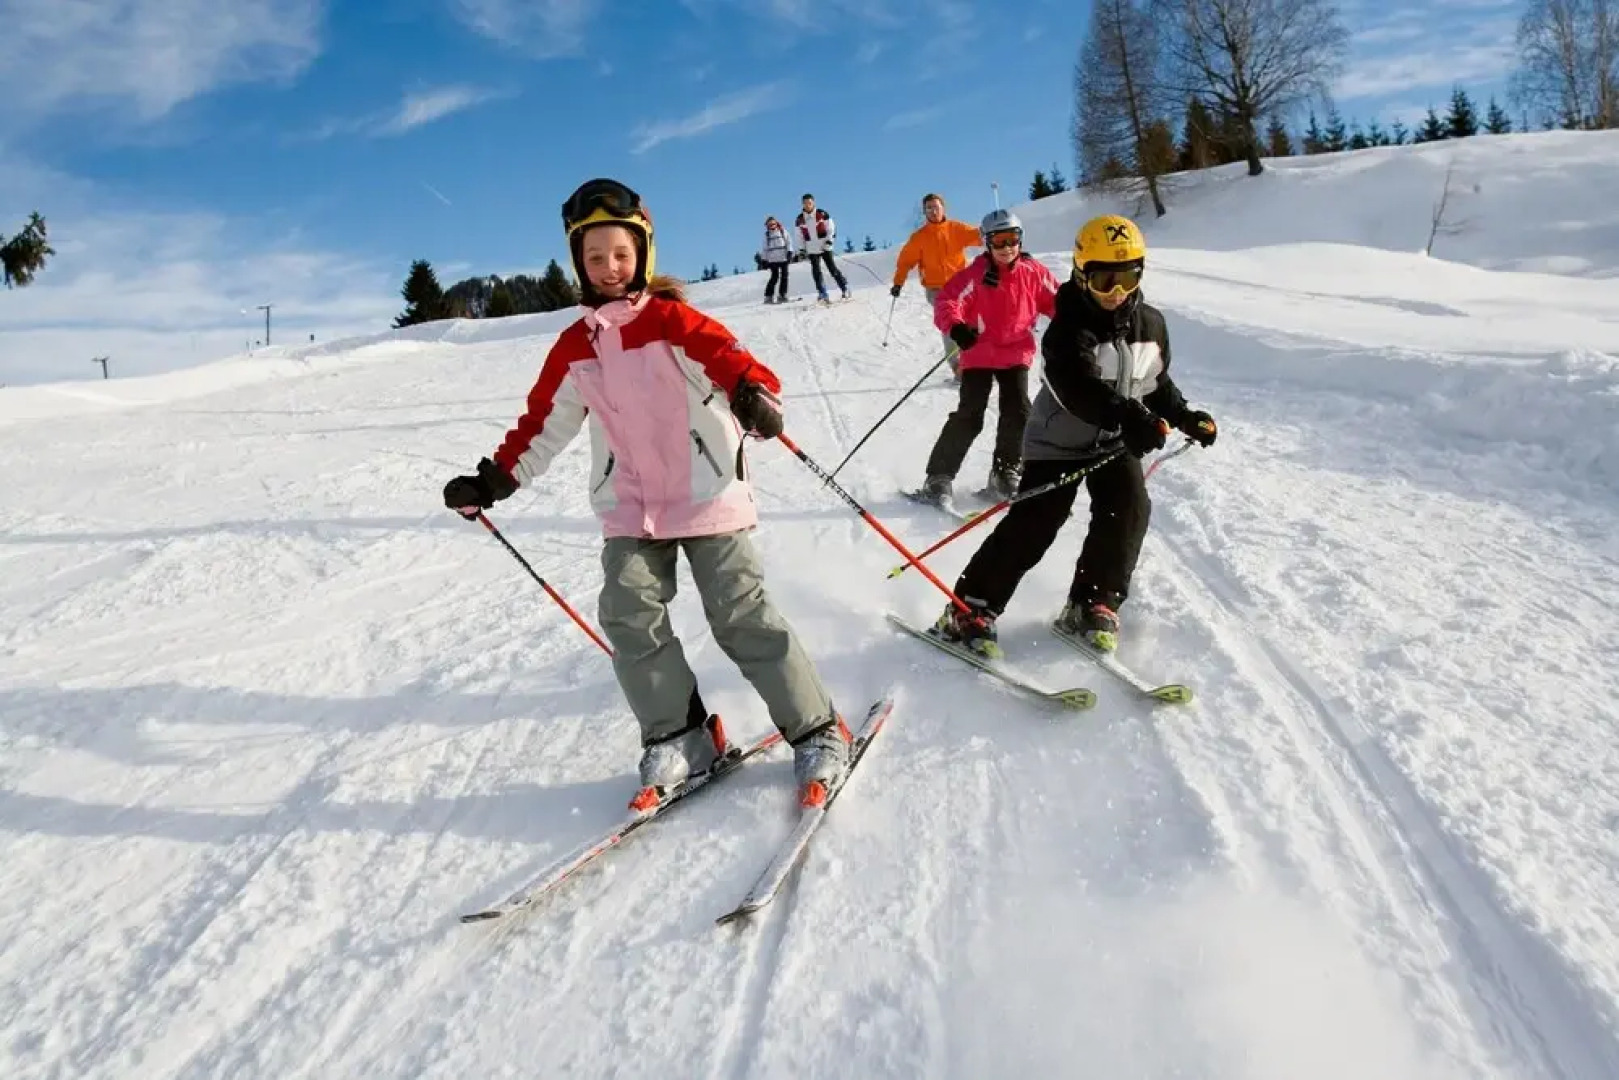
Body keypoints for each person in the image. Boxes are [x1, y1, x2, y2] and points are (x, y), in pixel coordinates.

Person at [442, 178, 851, 811]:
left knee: (739, 616)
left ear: (644, 256)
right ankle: (681, 734)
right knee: (629, 616)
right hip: (630, 506)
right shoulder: (575, 348)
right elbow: (542, 426)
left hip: (707, 490)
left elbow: (740, 366)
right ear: (579, 262)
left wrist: (755, 398)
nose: (609, 268)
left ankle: (817, 727)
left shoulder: (673, 320)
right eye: (595, 256)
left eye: (622, 254)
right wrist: (494, 480)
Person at [930, 214, 1217, 656]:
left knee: (1129, 507)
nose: (1117, 291)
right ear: (1082, 275)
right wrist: (1129, 416)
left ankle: (1092, 602)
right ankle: (969, 608)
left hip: (1112, 442)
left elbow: (1154, 382)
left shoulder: (1152, 325)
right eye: (1104, 279)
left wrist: (1184, 415)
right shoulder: (1067, 327)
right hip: (1057, 442)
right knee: (1036, 522)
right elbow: (1079, 389)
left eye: (1128, 277)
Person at [916, 209, 1058, 504]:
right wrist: (956, 327)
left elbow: (1057, 301)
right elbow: (948, 299)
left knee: (1018, 410)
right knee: (970, 414)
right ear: (987, 243)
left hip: (1016, 350)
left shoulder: (1033, 272)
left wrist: (1076, 323)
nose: (1007, 248)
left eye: (1012, 239)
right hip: (979, 351)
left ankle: (1005, 472)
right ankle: (938, 478)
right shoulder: (975, 275)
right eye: (999, 240)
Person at [890, 193, 982, 376]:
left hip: (961, 286)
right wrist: (898, 283)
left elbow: (980, 238)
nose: (933, 211)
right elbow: (905, 261)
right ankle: (958, 367)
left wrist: (997, 234)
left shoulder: (957, 229)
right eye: (929, 208)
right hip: (936, 289)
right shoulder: (919, 237)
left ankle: (977, 360)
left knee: (971, 321)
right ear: (924, 212)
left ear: (943, 208)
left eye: (936, 207)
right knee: (951, 323)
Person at [793, 193, 851, 303]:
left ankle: (844, 288)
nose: (808, 205)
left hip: (825, 247)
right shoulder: (799, 219)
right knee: (816, 272)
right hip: (812, 249)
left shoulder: (822, 214)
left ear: (813, 202)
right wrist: (801, 249)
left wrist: (829, 241)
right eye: (805, 203)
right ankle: (822, 292)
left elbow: (831, 228)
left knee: (832, 268)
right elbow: (799, 236)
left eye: (809, 203)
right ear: (802, 204)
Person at [759, 216, 793, 304]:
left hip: (783, 257)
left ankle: (782, 295)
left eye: (773, 224)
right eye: (770, 225)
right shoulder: (767, 235)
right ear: (767, 226)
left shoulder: (782, 231)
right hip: (773, 259)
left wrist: (789, 252)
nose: (772, 226)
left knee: (784, 277)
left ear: (776, 223)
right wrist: (764, 260)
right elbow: (764, 248)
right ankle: (768, 296)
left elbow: (789, 242)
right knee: (774, 277)